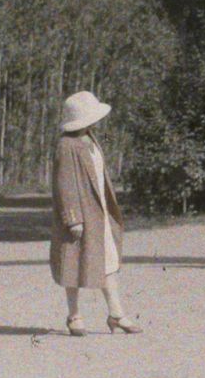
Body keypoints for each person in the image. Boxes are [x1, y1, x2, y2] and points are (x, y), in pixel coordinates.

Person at [50, 90, 141, 336]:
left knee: (108, 260)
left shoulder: (90, 139)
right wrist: (73, 219)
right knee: (72, 262)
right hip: (80, 215)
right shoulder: (66, 145)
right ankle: (74, 316)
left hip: (99, 212)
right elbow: (64, 184)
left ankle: (116, 313)